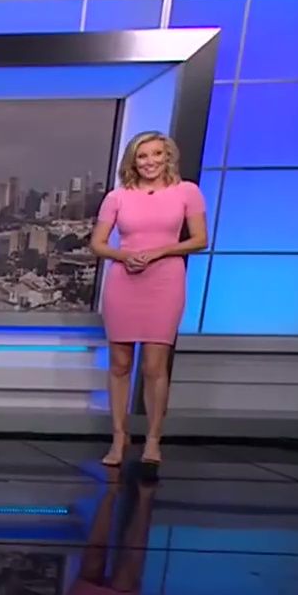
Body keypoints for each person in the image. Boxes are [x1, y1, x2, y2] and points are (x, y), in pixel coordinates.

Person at [89, 131, 207, 474]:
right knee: (119, 363)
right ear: (133, 160)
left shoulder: (187, 191)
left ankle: (153, 439)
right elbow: (98, 243)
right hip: (124, 281)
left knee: (155, 366)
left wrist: (160, 251)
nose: (150, 161)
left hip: (165, 280)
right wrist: (124, 256)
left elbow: (200, 239)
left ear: (168, 156)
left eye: (157, 154)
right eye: (142, 156)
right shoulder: (117, 196)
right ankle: (119, 437)